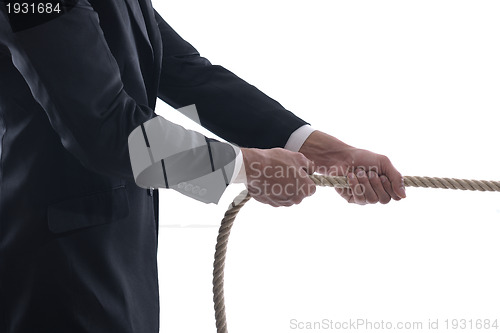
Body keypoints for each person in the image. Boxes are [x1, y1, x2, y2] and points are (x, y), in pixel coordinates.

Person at [0, 1, 405, 332]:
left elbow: (188, 75)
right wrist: (243, 167)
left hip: (120, 260)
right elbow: (105, 128)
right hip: (55, 275)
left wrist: (328, 152)